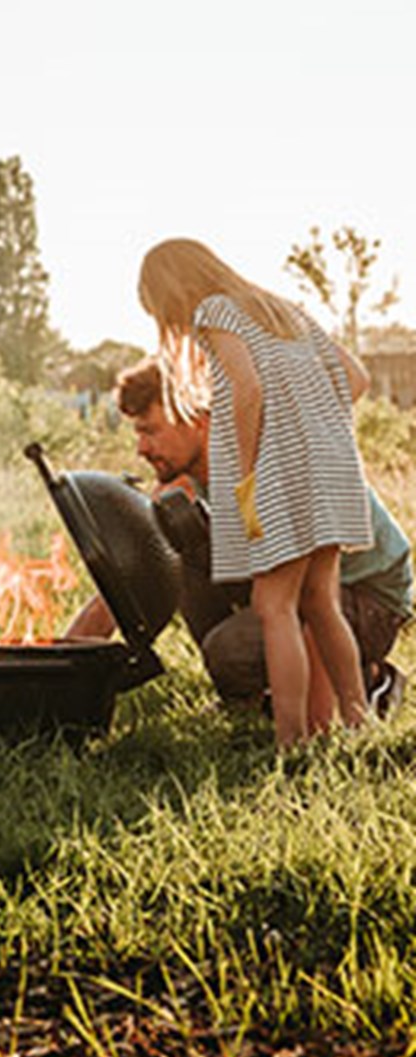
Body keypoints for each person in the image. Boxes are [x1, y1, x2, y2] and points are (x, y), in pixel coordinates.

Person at [67, 357, 411, 716]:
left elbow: (312, 589)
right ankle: (246, 699)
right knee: (174, 546)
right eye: (137, 433)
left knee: (230, 651)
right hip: (297, 584)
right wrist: (64, 660)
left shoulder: (263, 462)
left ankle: (370, 681)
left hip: (369, 597)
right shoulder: (185, 481)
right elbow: (130, 573)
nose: (141, 448)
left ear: (197, 421)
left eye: (150, 431)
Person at [137, 238, 373, 746]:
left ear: (174, 290)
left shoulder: (214, 310)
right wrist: (314, 424)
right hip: (331, 470)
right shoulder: (284, 311)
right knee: (320, 601)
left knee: (273, 604)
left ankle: (291, 742)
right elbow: (356, 378)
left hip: (277, 475)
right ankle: (360, 725)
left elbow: (246, 389)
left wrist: (246, 474)